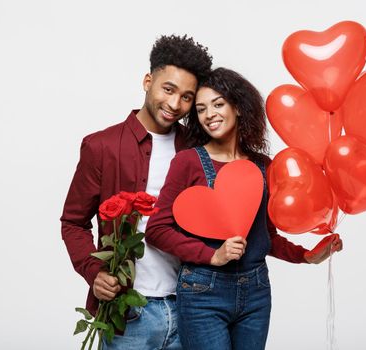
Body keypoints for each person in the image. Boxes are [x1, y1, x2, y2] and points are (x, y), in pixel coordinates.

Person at [146, 67, 343, 350]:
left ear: (237, 107)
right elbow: (157, 229)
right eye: (201, 109)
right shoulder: (187, 162)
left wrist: (306, 256)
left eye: (218, 104)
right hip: (203, 292)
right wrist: (212, 255)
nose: (209, 114)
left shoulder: (265, 166)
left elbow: (267, 236)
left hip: (256, 292)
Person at [60, 34, 213, 349]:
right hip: (127, 314)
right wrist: (95, 271)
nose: (174, 104)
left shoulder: (198, 150)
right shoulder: (101, 146)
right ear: (148, 81)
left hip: (189, 307)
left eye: (187, 97)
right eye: (168, 89)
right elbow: (73, 221)